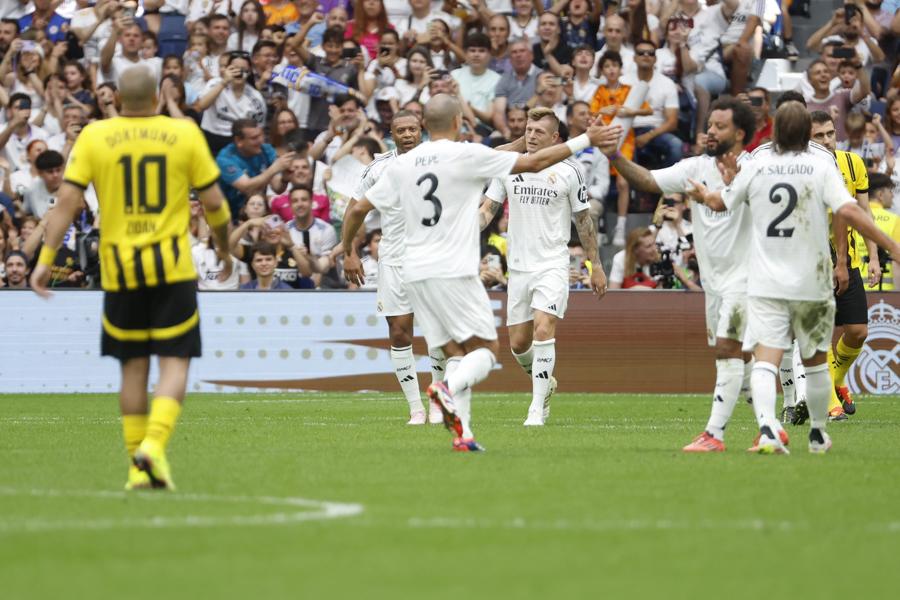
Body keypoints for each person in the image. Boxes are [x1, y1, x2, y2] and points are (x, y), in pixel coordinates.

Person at [346, 93, 616, 452]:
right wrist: (586, 140)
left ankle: (463, 434)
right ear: (458, 122)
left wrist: (348, 247)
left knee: (454, 349)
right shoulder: (465, 155)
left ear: (425, 126)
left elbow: (355, 211)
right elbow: (533, 164)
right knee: (485, 350)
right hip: (452, 267)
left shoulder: (399, 166)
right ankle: (446, 390)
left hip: (412, 267)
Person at [30, 65, 234, 490]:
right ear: (159, 98)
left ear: (118, 100)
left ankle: (135, 468)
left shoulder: (94, 136)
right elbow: (215, 204)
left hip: (120, 270)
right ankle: (154, 448)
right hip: (171, 266)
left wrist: (44, 259)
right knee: (175, 363)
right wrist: (224, 249)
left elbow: (66, 203)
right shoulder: (183, 134)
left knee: (132, 371)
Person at [687, 102, 900, 454]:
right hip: (811, 281)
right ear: (805, 134)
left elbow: (720, 202)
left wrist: (704, 193)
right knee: (815, 361)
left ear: (772, 132)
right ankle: (817, 433)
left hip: (766, 280)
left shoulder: (756, 166)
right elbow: (847, 210)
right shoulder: (821, 165)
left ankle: (769, 430)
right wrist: (890, 244)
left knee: (766, 357)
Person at [597, 97, 758, 452]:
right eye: (710, 125)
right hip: (714, 283)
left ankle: (715, 435)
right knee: (739, 355)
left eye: (720, 126)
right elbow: (649, 180)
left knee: (729, 351)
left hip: (746, 278)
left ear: (740, 133)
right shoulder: (694, 167)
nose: (710, 132)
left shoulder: (756, 168)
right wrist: (614, 156)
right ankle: (770, 426)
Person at [481, 107, 608, 426]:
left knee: (543, 328)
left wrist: (596, 265)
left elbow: (584, 222)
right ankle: (545, 382)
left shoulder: (570, 171)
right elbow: (488, 210)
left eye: (539, 131)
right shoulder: (509, 166)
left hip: (552, 263)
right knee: (519, 344)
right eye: (528, 129)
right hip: (518, 268)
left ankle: (537, 408)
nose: (531, 135)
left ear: (555, 138)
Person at [340, 110, 447, 425]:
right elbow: (354, 210)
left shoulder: (439, 159)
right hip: (395, 259)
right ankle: (415, 407)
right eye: (401, 130)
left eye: (413, 129)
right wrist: (350, 252)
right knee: (400, 331)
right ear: (391, 133)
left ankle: (438, 401)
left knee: (439, 332)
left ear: (422, 130)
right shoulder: (379, 168)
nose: (408, 135)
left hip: (433, 256)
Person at [805, 109, 880, 420]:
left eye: (830, 134)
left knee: (858, 331)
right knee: (817, 335)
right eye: (818, 136)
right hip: (809, 266)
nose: (826, 141)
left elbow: (863, 214)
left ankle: (835, 380)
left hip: (845, 261)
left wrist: (874, 256)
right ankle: (830, 400)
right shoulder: (801, 169)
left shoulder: (853, 163)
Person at [215, 118, 294, 216]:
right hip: (226, 213)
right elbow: (246, 187)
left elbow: (277, 188)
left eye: (261, 135)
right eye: (254, 138)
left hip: (255, 211)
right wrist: (274, 168)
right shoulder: (225, 159)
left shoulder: (266, 150)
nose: (261, 141)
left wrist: (284, 179)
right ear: (239, 141)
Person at [855, 172, 899, 290]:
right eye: (890, 191)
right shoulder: (894, 220)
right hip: (886, 296)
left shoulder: (853, 218)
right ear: (880, 194)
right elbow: (897, 261)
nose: (892, 196)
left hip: (854, 291)